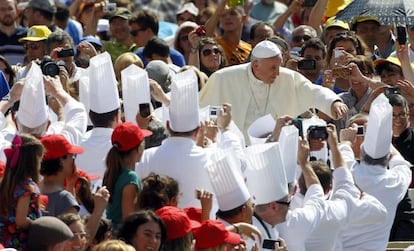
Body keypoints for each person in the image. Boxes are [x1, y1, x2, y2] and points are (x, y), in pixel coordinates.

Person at [199, 40, 348, 143]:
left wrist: (333, 102)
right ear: (256, 65)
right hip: (236, 148)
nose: (277, 73)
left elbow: (313, 91)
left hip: (274, 146)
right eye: (272, 68)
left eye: (279, 66)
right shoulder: (224, 78)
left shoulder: (286, 77)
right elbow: (201, 109)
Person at [339, 94, 412, 250]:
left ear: (363, 153)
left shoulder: (349, 174)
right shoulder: (395, 182)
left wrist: (345, 141)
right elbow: (400, 162)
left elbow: (341, 159)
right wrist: (383, 138)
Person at [102, 122, 152, 230]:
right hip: (123, 237)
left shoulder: (111, 171)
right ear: (138, 149)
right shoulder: (131, 178)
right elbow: (129, 219)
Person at [0, 134, 44, 250]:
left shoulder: (6, 183)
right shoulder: (27, 187)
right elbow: (21, 220)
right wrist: (37, 224)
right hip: (19, 243)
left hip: (3, 241)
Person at [40, 134, 83, 216]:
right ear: (61, 161)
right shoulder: (65, 199)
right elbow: (77, 229)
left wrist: (70, 186)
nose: (73, 160)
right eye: (72, 155)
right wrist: (98, 210)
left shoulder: (33, 189)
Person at [0, 0, 27, 65]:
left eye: (10, 9)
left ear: (17, 11)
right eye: (2, 9)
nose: (7, 13)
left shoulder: (27, 36)